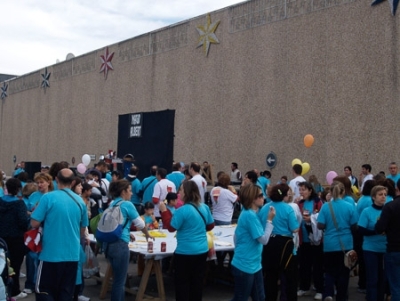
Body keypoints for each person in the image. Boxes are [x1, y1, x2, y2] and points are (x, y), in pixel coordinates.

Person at [31, 168, 89, 301]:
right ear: (73, 182)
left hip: (50, 254)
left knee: (44, 291)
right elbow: (82, 229)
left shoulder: (48, 198)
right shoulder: (80, 202)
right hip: (72, 255)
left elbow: (34, 222)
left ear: (56, 179)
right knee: (66, 292)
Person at [159, 181, 214, 301]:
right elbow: (210, 226)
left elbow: (171, 227)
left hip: (185, 252)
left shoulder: (182, 211)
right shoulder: (204, 207)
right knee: (197, 283)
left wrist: (164, 211)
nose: (179, 193)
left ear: (187, 192)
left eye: (181, 190)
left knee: (182, 284)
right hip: (201, 250)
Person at [102, 179, 152, 301]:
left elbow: (115, 223)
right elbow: (140, 223)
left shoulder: (112, 204)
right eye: (129, 191)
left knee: (116, 280)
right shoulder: (127, 205)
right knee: (120, 282)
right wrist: (147, 234)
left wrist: (128, 233)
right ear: (123, 192)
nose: (132, 193)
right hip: (120, 245)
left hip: (108, 244)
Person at [317, 181, 358, 301]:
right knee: (344, 273)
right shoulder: (349, 206)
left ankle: (328, 293)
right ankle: (342, 296)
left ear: (331, 192)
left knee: (329, 272)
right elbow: (354, 225)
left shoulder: (326, 206)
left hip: (330, 244)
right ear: (343, 191)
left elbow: (320, 225)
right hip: (346, 244)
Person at [259, 184, 299, 301]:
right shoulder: (288, 208)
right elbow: (294, 228)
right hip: (284, 244)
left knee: (270, 276)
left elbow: (261, 224)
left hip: (268, 242)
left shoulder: (265, 207)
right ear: (284, 195)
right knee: (290, 276)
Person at [0, 178, 29, 299]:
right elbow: (23, 222)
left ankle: (4, 288)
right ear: (18, 189)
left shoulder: (0, 201)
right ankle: (15, 290)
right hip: (16, 238)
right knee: (15, 266)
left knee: (3, 264)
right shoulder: (19, 203)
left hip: (2, 237)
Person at [358, 185, 387, 301]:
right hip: (370, 249)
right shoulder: (367, 211)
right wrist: (376, 231)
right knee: (372, 278)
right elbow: (361, 230)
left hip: (385, 248)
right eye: (380, 195)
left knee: (382, 278)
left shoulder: (388, 210)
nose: (383, 197)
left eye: (385, 194)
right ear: (374, 197)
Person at [296, 181, 324, 300]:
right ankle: (304, 287)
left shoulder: (318, 202)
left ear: (310, 190)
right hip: (304, 239)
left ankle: (319, 289)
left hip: (316, 239)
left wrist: (311, 219)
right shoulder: (299, 203)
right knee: (304, 265)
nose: (301, 192)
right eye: (300, 190)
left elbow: (322, 218)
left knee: (317, 265)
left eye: (303, 189)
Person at [375, 179, 400, 301]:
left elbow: (380, 228)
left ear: (397, 189)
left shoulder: (390, 206)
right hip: (393, 249)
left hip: (394, 248)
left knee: (395, 285)